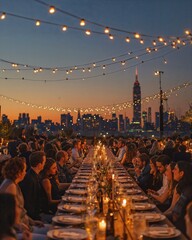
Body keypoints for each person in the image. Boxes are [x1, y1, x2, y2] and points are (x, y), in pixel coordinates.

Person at [0, 157, 47, 239]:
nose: (25, 173)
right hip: (17, 231)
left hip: (26, 224)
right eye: (24, 170)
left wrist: (32, 221)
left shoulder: (14, 183)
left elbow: (20, 210)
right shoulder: (10, 187)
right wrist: (21, 226)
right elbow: (8, 217)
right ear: (18, 172)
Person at [19, 151, 46, 220]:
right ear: (39, 164)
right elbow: (29, 204)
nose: (45, 164)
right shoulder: (30, 180)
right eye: (44, 162)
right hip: (33, 217)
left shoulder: (35, 175)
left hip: (39, 213)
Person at [168, 161, 192, 234]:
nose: (172, 171)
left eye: (175, 169)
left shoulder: (188, 192)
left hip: (179, 229)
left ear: (181, 173)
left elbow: (177, 214)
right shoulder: (183, 188)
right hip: (175, 224)